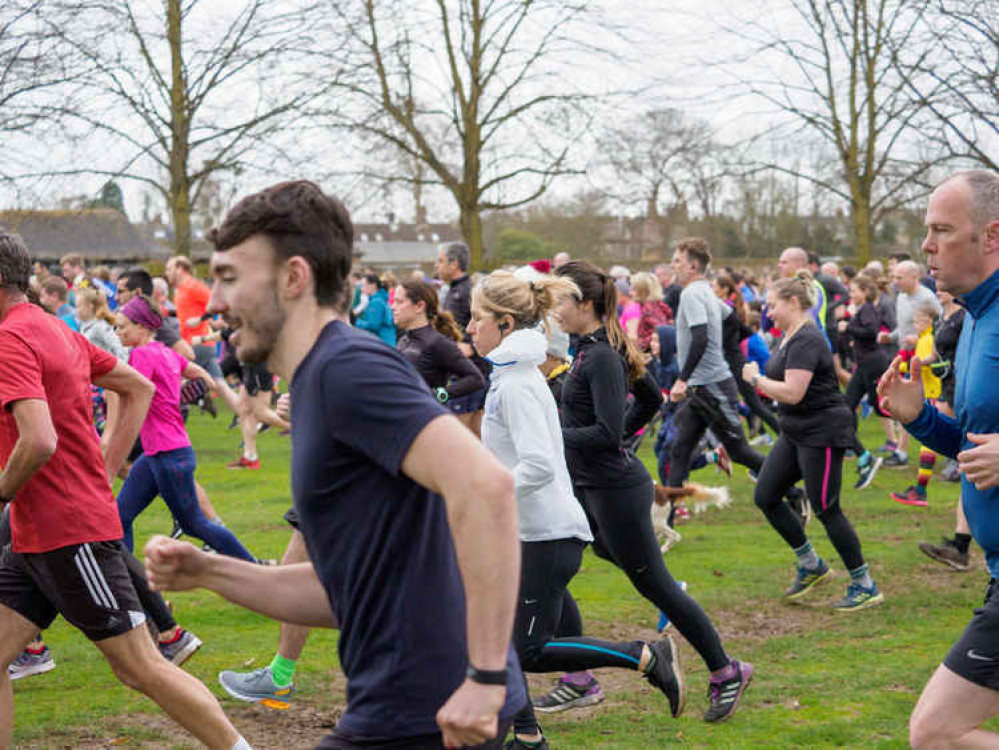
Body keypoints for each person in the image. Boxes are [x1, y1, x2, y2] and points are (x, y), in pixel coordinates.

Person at [144, 180, 527, 749]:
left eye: (229, 277)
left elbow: (488, 487)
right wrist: (208, 571)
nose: (215, 302)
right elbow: (345, 590)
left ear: (294, 278)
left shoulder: (346, 369)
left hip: (431, 711)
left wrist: (485, 678)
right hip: (407, 707)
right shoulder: (323, 377)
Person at [0, 231, 252, 750]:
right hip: (34, 534)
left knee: (140, 668)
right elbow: (135, 388)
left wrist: (4, 490)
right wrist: (102, 463)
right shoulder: (53, 327)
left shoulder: (10, 339)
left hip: (67, 533)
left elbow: (39, 439)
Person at [469, 271, 684, 748]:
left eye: (476, 318)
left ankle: (644, 655)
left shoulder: (518, 384)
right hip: (531, 532)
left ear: (505, 324)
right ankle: (526, 735)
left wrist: (486, 494)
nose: (467, 327)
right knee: (492, 633)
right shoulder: (512, 376)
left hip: (544, 536)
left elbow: (540, 465)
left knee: (525, 649)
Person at [551, 258, 753, 723]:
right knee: (567, 559)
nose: (554, 309)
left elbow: (602, 432)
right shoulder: (589, 349)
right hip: (593, 485)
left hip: (615, 489)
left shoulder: (600, 356)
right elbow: (650, 397)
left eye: (560, 300)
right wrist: (616, 435)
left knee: (653, 584)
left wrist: (554, 435)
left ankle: (726, 670)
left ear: (584, 304)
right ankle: (578, 677)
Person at [876, 170, 999, 750]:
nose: (926, 246)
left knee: (937, 732)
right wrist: (918, 416)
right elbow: (975, 446)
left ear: (991, 236)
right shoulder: (972, 320)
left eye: (942, 230)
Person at [743, 272, 884, 610]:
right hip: (795, 431)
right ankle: (811, 564)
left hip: (821, 431)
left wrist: (757, 379)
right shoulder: (788, 335)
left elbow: (793, 392)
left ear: (794, 302)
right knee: (766, 494)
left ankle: (864, 584)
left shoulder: (807, 338)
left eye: (772, 305)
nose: (768, 312)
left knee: (825, 507)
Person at [664, 239, 807, 523]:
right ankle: (667, 516)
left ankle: (793, 493)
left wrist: (683, 379)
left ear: (693, 266)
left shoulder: (694, 294)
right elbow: (733, 322)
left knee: (739, 451)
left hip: (712, 386)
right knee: (679, 449)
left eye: (677, 261)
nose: (672, 265)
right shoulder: (705, 291)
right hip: (701, 387)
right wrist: (729, 353)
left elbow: (702, 336)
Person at [113, 295, 258, 562]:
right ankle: (131, 589)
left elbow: (135, 401)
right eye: (116, 326)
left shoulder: (141, 355)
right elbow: (207, 380)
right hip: (160, 452)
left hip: (169, 455)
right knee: (119, 516)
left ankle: (258, 571)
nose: (118, 331)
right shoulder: (166, 352)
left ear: (143, 327)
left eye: (123, 326)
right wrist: (181, 397)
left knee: (194, 525)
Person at [917, 288, 973, 570]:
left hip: (966, 391)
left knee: (971, 466)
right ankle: (960, 546)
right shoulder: (943, 317)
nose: (939, 288)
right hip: (951, 386)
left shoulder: (967, 315)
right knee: (969, 466)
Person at [878, 260, 942, 468]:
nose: (894, 282)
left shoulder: (928, 298)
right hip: (904, 356)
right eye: (894, 277)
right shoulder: (901, 297)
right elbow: (902, 327)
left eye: (899, 278)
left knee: (937, 406)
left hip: (923, 361)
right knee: (904, 403)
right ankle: (901, 451)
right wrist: (891, 337)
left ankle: (955, 454)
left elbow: (942, 326)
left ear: (914, 277)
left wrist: (923, 337)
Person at [393, 279, 485, 402]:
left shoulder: (437, 342)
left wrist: (438, 395)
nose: (393, 307)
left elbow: (475, 379)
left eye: (399, 302)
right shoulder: (403, 340)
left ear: (419, 306)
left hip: (427, 417)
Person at [836, 275, 889, 489]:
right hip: (863, 365)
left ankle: (916, 423)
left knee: (880, 407)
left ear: (866, 292)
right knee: (845, 407)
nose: (851, 295)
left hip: (873, 364)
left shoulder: (867, 309)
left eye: (855, 291)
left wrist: (847, 328)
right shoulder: (860, 309)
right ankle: (858, 451)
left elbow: (871, 332)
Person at [889, 302, 943, 507]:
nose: (918, 324)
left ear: (931, 321)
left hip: (934, 393)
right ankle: (920, 490)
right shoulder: (922, 339)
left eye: (922, 321)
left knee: (928, 441)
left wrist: (914, 364)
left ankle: (920, 491)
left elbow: (929, 362)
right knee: (927, 440)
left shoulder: (930, 339)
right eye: (916, 321)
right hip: (928, 392)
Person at [437, 241, 490, 435]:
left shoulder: (470, 290)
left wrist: (471, 346)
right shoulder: (452, 289)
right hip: (462, 370)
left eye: (440, 261)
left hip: (472, 371)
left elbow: (488, 320)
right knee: (476, 433)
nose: (436, 265)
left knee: (461, 435)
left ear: (454, 264)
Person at [630, 271, 672, 352]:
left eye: (634, 289)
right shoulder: (654, 305)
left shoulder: (649, 309)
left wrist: (640, 343)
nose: (630, 292)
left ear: (643, 291)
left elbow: (663, 333)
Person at [354, 273, 396, 346]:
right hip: (387, 342)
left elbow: (373, 325)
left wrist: (355, 322)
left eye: (363, 285)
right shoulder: (380, 298)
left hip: (383, 343)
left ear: (373, 285)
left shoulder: (376, 302)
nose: (361, 289)